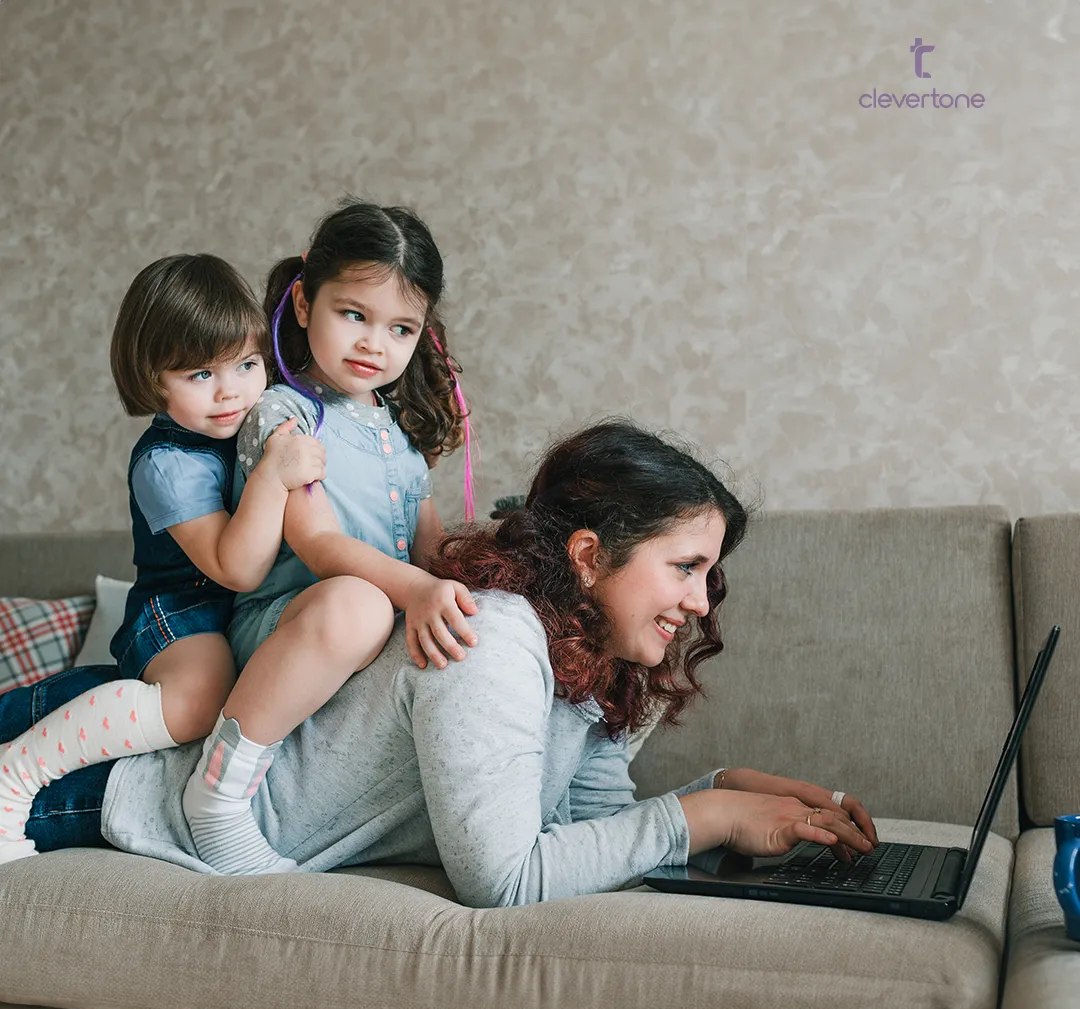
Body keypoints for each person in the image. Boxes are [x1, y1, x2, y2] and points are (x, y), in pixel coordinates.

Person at [0, 420, 878, 903]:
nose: (700, 600)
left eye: (708, 572)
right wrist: (708, 818)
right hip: (108, 783)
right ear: (585, 557)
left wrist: (731, 797)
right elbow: (504, 878)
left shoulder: (601, 665)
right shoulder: (493, 638)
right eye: (684, 566)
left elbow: (586, 832)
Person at [179, 200, 481, 876]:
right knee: (360, 602)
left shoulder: (401, 432)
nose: (376, 343)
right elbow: (316, 544)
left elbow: (428, 547)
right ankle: (218, 794)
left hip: (374, 626)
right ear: (305, 302)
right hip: (290, 626)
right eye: (355, 315)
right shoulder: (284, 413)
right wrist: (420, 587)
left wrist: (481, 567)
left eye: (401, 327)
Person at [0, 254, 325, 863]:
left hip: (236, 611)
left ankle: (34, 713)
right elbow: (238, 567)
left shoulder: (260, 416)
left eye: (247, 365)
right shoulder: (165, 464)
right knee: (200, 698)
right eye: (200, 374)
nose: (230, 390)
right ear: (153, 378)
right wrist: (273, 478)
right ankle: (14, 776)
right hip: (179, 606)